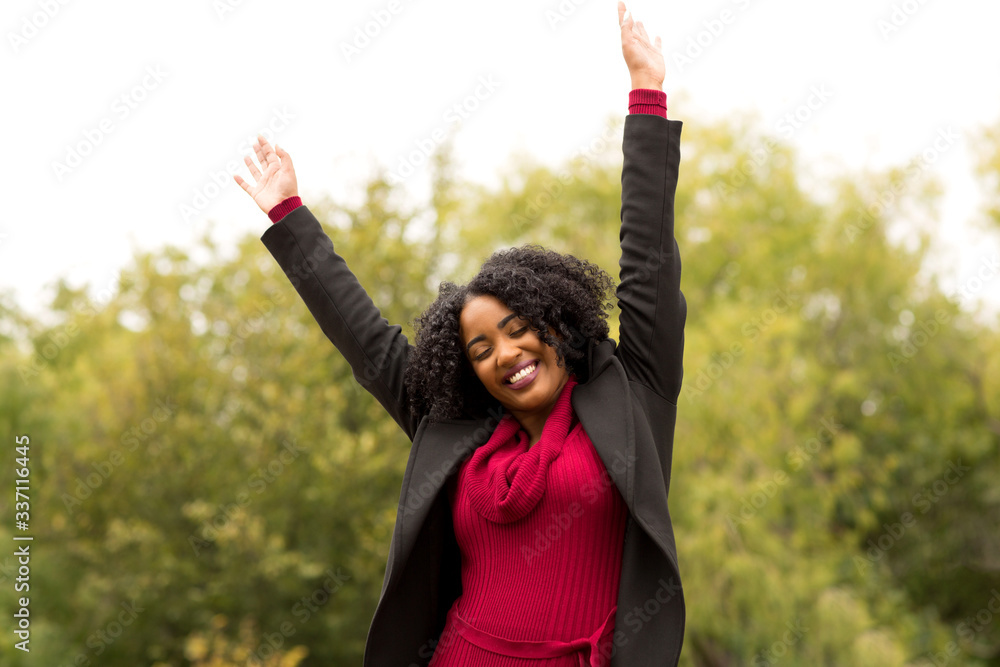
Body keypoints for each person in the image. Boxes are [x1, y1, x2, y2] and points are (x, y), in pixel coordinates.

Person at [235, 2, 686, 664]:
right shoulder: (451, 425)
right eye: (481, 348)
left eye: (516, 329)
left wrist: (647, 96)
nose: (505, 353)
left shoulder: (632, 396)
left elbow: (646, 265)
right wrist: (288, 213)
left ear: (556, 325)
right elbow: (368, 343)